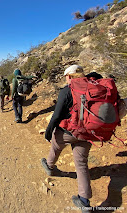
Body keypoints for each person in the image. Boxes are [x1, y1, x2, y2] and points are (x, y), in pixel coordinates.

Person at [41, 65, 93, 212]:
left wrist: (48, 132)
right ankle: (84, 201)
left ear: (69, 76)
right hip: (88, 132)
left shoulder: (66, 90)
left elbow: (57, 115)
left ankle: (50, 167)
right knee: (81, 164)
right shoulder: (92, 87)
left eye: (65, 76)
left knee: (56, 147)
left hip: (69, 131)